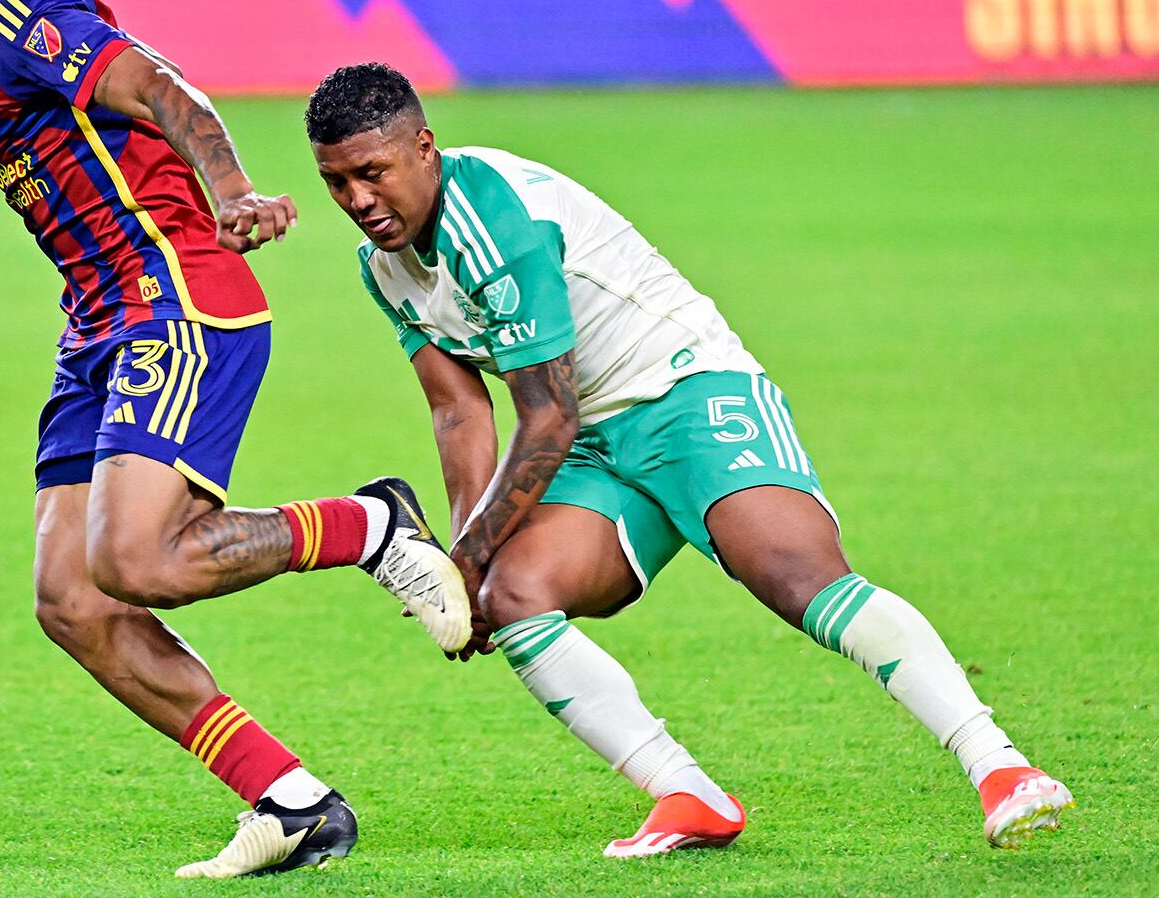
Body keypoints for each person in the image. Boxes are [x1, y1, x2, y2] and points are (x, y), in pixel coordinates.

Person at [0, 0, 469, 878]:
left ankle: (368, 525)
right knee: (72, 600)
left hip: (174, 299)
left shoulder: (3, 3)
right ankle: (289, 803)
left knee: (133, 561)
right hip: (98, 323)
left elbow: (167, 92)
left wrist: (231, 194)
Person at [306, 63, 1072, 857]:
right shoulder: (383, 266)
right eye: (336, 183)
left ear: (424, 149)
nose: (359, 202)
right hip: (594, 438)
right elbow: (458, 408)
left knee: (795, 577)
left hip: (684, 390)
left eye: (373, 173)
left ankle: (1001, 767)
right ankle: (687, 795)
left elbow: (546, 414)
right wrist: (462, 576)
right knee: (514, 595)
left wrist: (460, 557)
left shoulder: (493, 217)